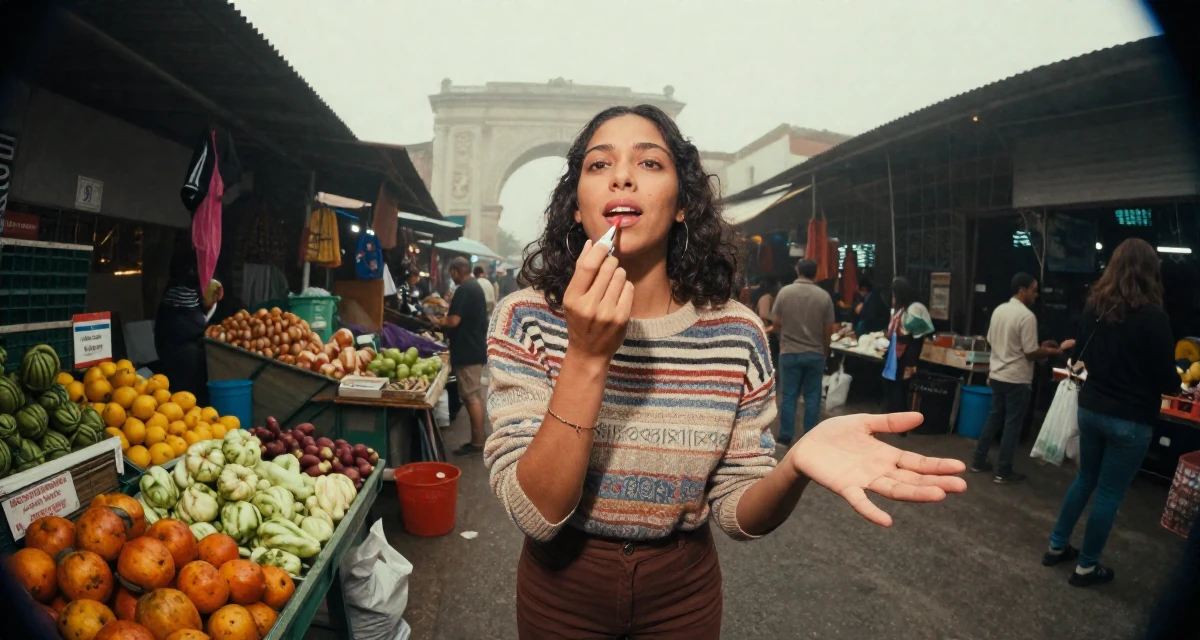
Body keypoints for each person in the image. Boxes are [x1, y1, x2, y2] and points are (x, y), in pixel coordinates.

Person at [484, 104, 967, 638]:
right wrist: (586, 356)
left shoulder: (738, 332)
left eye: (649, 163)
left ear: (683, 205)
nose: (621, 176)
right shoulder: (525, 318)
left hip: (683, 597)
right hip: (560, 590)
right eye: (599, 165)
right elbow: (536, 513)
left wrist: (794, 466)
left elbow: (738, 510)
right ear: (577, 207)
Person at [1043, 238, 1178, 587]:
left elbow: (1082, 356)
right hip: (1130, 420)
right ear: (1150, 272)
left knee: (1084, 479)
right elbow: (1167, 380)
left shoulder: (1095, 308)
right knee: (1108, 493)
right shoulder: (1154, 317)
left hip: (1091, 409)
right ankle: (1087, 568)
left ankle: (1057, 546)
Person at [971, 273, 1073, 484]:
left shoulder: (999, 310)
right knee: (1012, 425)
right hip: (1017, 378)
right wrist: (1057, 350)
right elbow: (1030, 352)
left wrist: (1041, 347)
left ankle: (978, 460)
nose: (1036, 295)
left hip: (997, 374)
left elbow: (995, 341)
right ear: (1022, 289)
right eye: (1034, 290)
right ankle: (1003, 471)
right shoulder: (1027, 317)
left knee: (994, 418)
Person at [771, 260, 836, 444]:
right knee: (812, 396)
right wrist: (824, 352)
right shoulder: (824, 297)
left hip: (789, 352)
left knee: (789, 395)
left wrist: (786, 333)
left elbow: (775, 322)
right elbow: (828, 330)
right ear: (815, 274)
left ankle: (785, 437)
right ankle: (810, 437)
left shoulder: (785, 293)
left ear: (798, 271)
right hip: (815, 354)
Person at [154, 238, 218, 406]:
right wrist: (206, 332)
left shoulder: (190, 290)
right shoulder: (177, 292)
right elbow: (185, 326)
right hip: (179, 353)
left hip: (184, 348)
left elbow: (198, 315)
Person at [436, 257, 490, 456]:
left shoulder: (465, 289)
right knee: (472, 396)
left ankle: (477, 443)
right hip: (473, 348)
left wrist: (437, 321)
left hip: (468, 351)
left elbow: (453, 321)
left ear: (456, 271)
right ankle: (479, 439)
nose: (451, 276)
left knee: (471, 397)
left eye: (452, 272)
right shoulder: (473, 287)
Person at [881, 277, 933, 416]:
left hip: (907, 355)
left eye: (894, 294)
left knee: (900, 389)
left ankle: (900, 421)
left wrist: (910, 363)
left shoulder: (915, 308)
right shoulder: (903, 308)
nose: (893, 297)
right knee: (893, 387)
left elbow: (916, 337)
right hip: (898, 354)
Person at [754, 274, 780, 366]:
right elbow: (763, 314)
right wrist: (778, 320)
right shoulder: (766, 298)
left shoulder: (772, 298)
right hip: (767, 337)